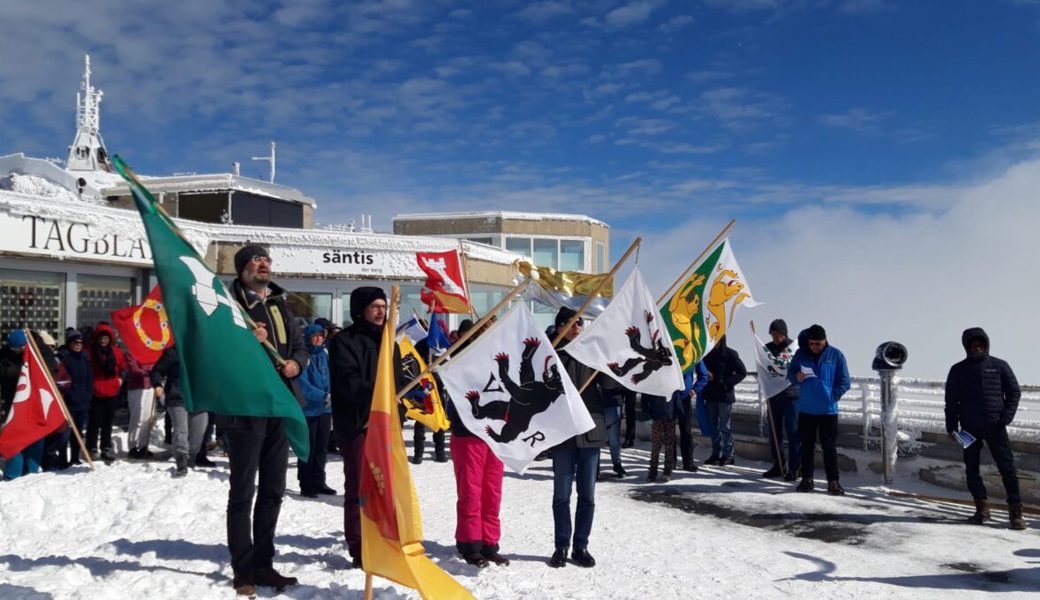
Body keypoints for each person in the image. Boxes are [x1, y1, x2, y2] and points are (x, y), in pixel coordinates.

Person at [223, 245, 309, 595]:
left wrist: (296, 364)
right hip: (246, 407)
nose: (263, 265)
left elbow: (300, 346)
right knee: (243, 491)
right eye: (256, 260)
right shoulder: (229, 304)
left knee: (273, 490)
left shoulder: (279, 303)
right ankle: (242, 569)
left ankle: (263, 563)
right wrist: (248, 339)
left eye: (266, 260)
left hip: (280, 404)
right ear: (243, 268)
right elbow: (222, 350)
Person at [329, 286, 403, 569]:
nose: (380, 312)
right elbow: (348, 383)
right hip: (358, 424)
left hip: (386, 426)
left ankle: (385, 537)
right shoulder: (343, 342)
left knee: (387, 487)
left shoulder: (389, 342)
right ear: (360, 309)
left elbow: (396, 383)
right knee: (360, 488)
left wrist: (397, 405)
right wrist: (380, 397)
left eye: (383, 307)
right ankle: (360, 545)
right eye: (374, 306)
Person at [944, 327, 1027, 530]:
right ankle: (982, 509)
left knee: (1007, 469)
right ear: (966, 347)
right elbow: (951, 401)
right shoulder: (958, 369)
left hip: (995, 427)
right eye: (973, 344)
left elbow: (1014, 392)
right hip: (968, 429)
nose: (977, 347)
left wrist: (1005, 417)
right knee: (971, 470)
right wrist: (951, 427)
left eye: (980, 344)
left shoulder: (999, 366)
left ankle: (1016, 513)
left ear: (986, 344)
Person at [549, 307, 606, 569]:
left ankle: (580, 546)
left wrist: (610, 366)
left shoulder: (592, 354)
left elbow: (611, 387)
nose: (578, 329)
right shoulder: (549, 355)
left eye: (580, 325)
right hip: (563, 435)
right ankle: (561, 546)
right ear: (560, 327)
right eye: (573, 324)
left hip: (590, 433)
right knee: (562, 495)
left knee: (588, 496)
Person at [788, 324, 850, 495]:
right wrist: (796, 377)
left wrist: (833, 395)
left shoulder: (836, 355)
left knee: (829, 447)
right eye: (812, 343)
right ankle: (807, 479)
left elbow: (845, 381)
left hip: (828, 411)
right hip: (807, 408)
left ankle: (833, 482)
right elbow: (790, 374)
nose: (815, 347)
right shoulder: (801, 354)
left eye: (819, 343)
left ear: (825, 341)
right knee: (806, 446)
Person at [150, 345, 208, 477]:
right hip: (177, 396)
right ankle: (181, 459)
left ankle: (191, 457)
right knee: (181, 429)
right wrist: (157, 385)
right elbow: (157, 371)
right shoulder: (173, 352)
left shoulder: (204, 350)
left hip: (199, 398)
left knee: (199, 431)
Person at [297, 324, 335, 497]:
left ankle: (319, 481)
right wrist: (323, 396)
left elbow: (332, 376)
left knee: (321, 447)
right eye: (315, 336)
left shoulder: (325, 354)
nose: (318, 339)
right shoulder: (304, 356)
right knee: (308, 448)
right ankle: (306, 483)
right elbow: (303, 385)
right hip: (309, 410)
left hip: (325, 410)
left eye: (321, 335)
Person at [762, 319, 800, 481]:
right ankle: (778, 464)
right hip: (773, 395)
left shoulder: (794, 349)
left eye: (777, 334)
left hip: (791, 395)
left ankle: (794, 467)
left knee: (793, 433)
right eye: (772, 334)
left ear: (784, 333)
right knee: (774, 433)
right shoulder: (768, 349)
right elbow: (764, 368)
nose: (775, 337)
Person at [701, 336, 747, 466]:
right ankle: (715, 453)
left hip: (724, 396)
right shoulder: (707, 354)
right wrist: (706, 374)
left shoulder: (730, 354)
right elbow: (701, 369)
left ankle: (728, 455)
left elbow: (742, 372)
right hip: (710, 394)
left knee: (724, 426)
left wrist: (728, 383)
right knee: (713, 426)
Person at [86, 323, 125, 462]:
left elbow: (122, 368)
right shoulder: (91, 352)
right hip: (96, 390)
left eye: (106, 338)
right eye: (101, 338)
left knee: (107, 422)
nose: (103, 340)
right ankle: (91, 447)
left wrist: (120, 380)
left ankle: (106, 446)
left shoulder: (116, 352)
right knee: (94, 421)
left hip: (112, 390)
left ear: (110, 339)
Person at [57, 331, 93, 466]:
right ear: (70, 344)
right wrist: (69, 394)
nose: (78, 345)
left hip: (83, 401)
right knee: (65, 432)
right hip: (69, 402)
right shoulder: (64, 359)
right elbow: (61, 380)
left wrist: (89, 394)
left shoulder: (85, 359)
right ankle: (62, 459)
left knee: (78, 431)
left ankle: (75, 457)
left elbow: (90, 378)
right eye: (75, 343)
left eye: (80, 343)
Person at [125, 351, 157, 459]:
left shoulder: (151, 353)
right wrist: (148, 372)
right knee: (137, 417)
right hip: (136, 387)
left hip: (150, 386)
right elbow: (133, 369)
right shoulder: (132, 352)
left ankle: (144, 445)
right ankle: (133, 446)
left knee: (147, 419)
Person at [644, 392, 676, 483]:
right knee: (656, 445)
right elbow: (645, 396)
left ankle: (667, 470)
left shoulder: (672, 381)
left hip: (670, 415)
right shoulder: (653, 381)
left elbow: (676, 395)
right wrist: (646, 414)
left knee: (669, 445)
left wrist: (678, 412)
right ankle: (653, 471)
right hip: (656, 416)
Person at [599, 376, 627, 478]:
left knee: (614, 437)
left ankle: (617, 464)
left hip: (612, 400)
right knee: (596, 438)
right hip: (595, 401)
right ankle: (594, 466)